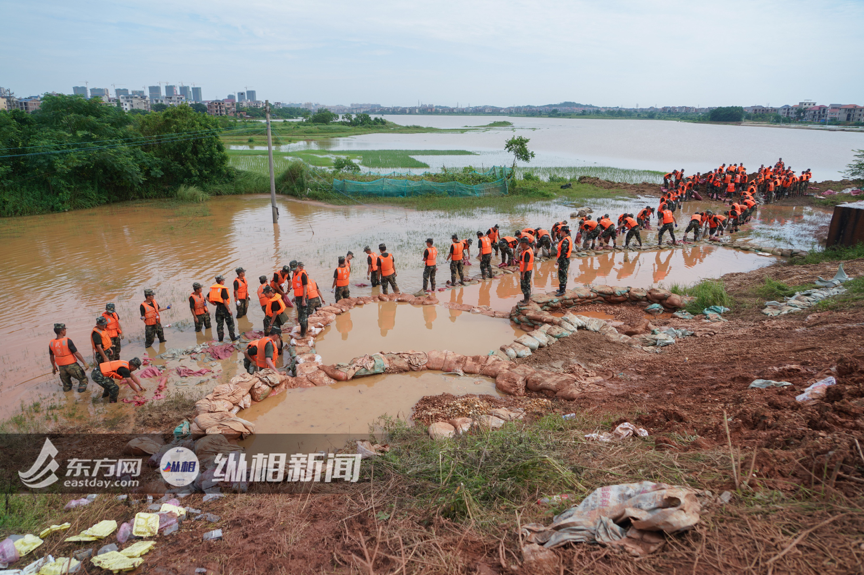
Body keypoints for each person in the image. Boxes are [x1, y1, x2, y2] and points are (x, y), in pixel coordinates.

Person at [49, 323, 88, 393]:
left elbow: (51, 356)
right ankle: (81, 390)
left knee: (66, 385)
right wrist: (84, 363)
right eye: (65, 330)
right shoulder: (67, 341)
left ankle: (68, 393)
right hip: (72, 365)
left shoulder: (51, 343)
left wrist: (54, 366)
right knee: (83, 379)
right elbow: (76, 353)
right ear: (62, 331)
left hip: (61, 367)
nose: (65, 331)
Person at [293, 262, 323, 337]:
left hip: (308, 300)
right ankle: (306, 330)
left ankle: (303, 334)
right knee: (306, 316)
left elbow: (305, 289)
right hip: (315, 299)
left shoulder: (303, 276)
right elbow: (318, 291)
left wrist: (303, 300)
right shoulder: (313, 281)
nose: (293, 271)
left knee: (303, 316)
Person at [209, 275, 239, 342]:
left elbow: (207, 297)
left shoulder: (214, 288)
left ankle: (220, 339)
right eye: (223, 280)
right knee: (230, 324)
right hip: (224, 308)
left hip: (218, 308)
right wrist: (228, 310)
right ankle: (233, 338)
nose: (224, 281)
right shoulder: (223, 288)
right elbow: (224, 300)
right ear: (221, 281)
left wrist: (213, 303)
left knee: (219, 325)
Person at [554, 226, 572, 296]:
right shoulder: (568, 238)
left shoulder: (565, 240)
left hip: (563, 260)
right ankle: (562, 289)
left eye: (561, 231)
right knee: (562, 274)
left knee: (562, 274)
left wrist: (558, 261)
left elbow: (563, 253)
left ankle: (562, 291)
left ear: (564, 232)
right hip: (566, 259)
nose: (560, 233)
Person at [518, 237, 534, 304]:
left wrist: (523, 274)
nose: (520, 245)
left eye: (521, 243)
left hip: (526, 271)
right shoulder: (527, 249)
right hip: (527, 270)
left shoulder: (527, 252)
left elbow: (526, 264)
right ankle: (526, 299)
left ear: (525, 243)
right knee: (526, 285)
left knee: (525, 286)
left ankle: (526, 300)